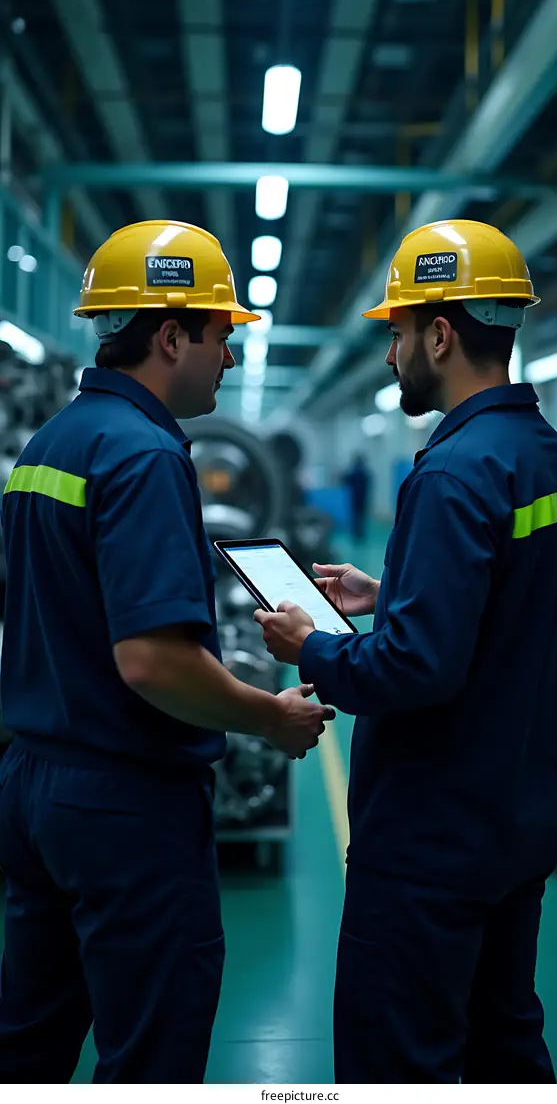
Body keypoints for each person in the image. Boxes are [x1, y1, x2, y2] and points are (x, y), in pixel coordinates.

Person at [254, 219, 557, 1084]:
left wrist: (316, 645)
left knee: (399, 1061)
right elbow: (513, 612)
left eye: (398, 333)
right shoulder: (554, 465)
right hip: (513, 823)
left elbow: (415, 670)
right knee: (504, 1049)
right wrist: (394, 589)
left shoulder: (452, 471)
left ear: (440, 334)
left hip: (427, 845)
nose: (391, 353)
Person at [0, 220, 333, 1085]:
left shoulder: (49, 445)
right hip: (125, 802)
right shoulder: (144, 453)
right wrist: (270, 716)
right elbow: (151, 661)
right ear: (171, 333)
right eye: (221, 335)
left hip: (34, 786)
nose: (227, 358)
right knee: (151, 1055)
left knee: (29, 1045)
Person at [342, 454, 372, 542]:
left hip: (354, 497)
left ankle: (355, 533)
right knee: (361, 516)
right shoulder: (365, 473)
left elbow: (346, 481)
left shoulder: (353, 472)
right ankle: (360, 533)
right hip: (362, 498)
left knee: (355, 516)